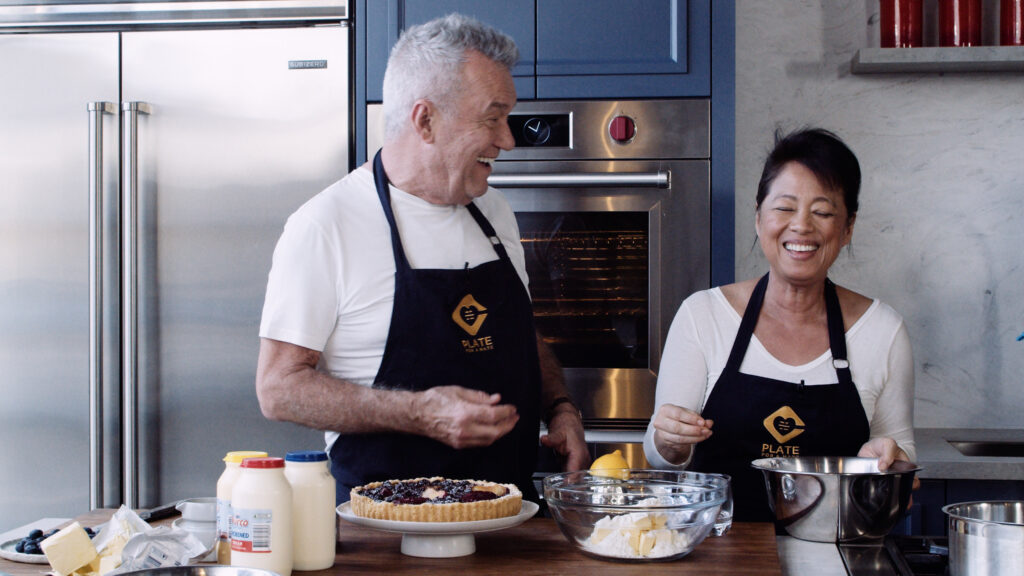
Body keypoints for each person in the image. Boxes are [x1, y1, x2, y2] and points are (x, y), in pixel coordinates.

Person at [255, 13, 589, 504]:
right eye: (492, 117)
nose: (508, 139)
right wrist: (417, 412)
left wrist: (561, 408)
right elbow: (278, 389)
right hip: (384, 535)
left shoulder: (494, 212)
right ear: (424, 119)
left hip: (510, 521)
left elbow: (518, 333)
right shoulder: (326, 225)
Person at [643, 128, 916, 522]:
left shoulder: (883, 330)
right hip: (717, 556)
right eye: (785, 208)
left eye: (822, 212)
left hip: (834, 552)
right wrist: (668, 440)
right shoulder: (703, 315)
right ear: (759, 218)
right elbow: (662, 456)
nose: (801, 226)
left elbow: (900, 452)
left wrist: (890, 463)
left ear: (848, 228)